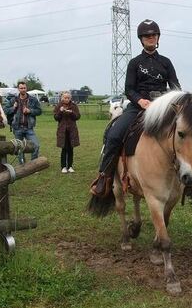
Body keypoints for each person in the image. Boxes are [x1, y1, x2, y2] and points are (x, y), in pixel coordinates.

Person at [90, 19, 181, 197]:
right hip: (138, 107)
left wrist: (172, 101)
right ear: (141, 39)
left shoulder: (166, 62)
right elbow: (129, 89)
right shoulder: (134, 63)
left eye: (153, 35)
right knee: (114, 135)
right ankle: (104, 177)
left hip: (162, 108)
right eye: (147, 36)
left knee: (187, 131)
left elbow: (175, 85)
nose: (150, 37)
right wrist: (141, 101)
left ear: (158, 37)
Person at [3, 81, 42, 164]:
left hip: (29, 128)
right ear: (18, 89)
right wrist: (13, 108)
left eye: (24, 88)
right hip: (17, 128)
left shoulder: (33, 99)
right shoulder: (13, 100)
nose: (23, 90)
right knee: (19, 148)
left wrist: (30, 111)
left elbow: (39, 111)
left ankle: (33, 164)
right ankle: (22, 165)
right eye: (21, 88)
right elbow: (5, 110)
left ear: (26, 88)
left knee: (36, 146)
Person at [53, 91, 80, 173]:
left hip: (72, 131)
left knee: (71, 149)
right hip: (62, 131)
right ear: (62, 98)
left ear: (70, 98)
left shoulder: (74, 106)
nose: (67, 99)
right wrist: (60, 111)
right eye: (65, 97)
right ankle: (63, 167)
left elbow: (77, 117)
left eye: (68, 98)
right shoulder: (58, 106)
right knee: (64, 149)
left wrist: (71, 113)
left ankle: (70, 166)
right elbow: (56, 118)